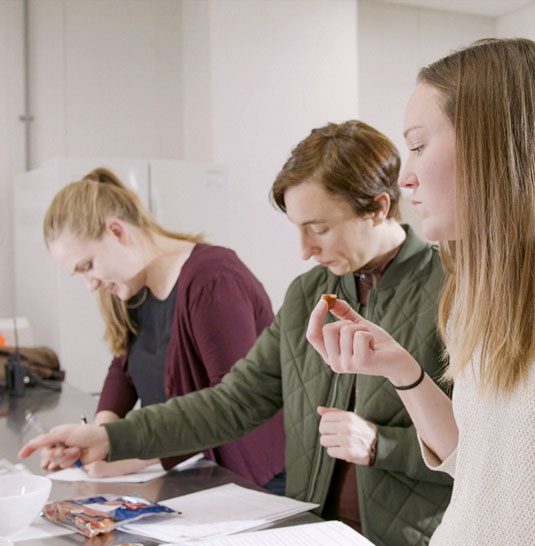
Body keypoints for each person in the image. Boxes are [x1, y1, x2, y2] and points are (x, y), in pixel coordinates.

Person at [20, 121, 452, 545]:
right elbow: (234, 401)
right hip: (311, 530)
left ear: (377, 207)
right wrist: (108, 437)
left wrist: (382, 445)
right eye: (297, 228)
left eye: (318, 229)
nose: (304, 250)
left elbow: (487, 447)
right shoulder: (309, 293)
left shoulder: (452, 288)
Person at [303, 38, 535, 545]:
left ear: (493, 141)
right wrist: (399, 368)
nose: (406, 177)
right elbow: (482, 468)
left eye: (417, 146)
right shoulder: (483, 279)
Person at [39, 168, 285, 490]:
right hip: (193, 479)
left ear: (116, 231)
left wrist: (127, 451)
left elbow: (232, 408)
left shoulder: (213, 281)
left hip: (253, 483)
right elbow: (123, 370)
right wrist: (98, 437)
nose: (90, 284)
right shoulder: (133, 287)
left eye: (87, 267)